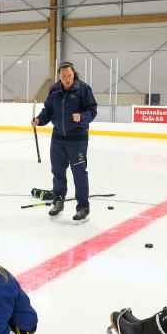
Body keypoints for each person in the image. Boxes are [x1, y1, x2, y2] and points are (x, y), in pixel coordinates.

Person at [32, 62, 98, 223]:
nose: (67, 79)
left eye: (69, 75)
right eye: (63, 76)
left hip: (77, 138)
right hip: (58, 138)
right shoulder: (54, 90)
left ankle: (83, 208)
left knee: (79, 173)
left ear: (73, 74)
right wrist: (39, 120)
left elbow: (92, 110)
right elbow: (48, 110)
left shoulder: (83, 89)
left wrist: (82, 117)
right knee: (58, 172)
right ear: (59, 77)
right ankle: (58, 202)